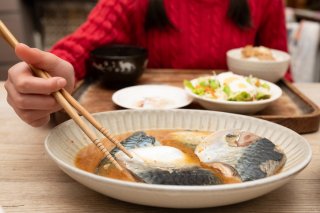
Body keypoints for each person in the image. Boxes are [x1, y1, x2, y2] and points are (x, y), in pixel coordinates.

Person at [4, 0, 289, 127]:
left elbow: (280, 70)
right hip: (144, 124)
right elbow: (80, 44)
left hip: (246, 126)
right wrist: (49, 73)